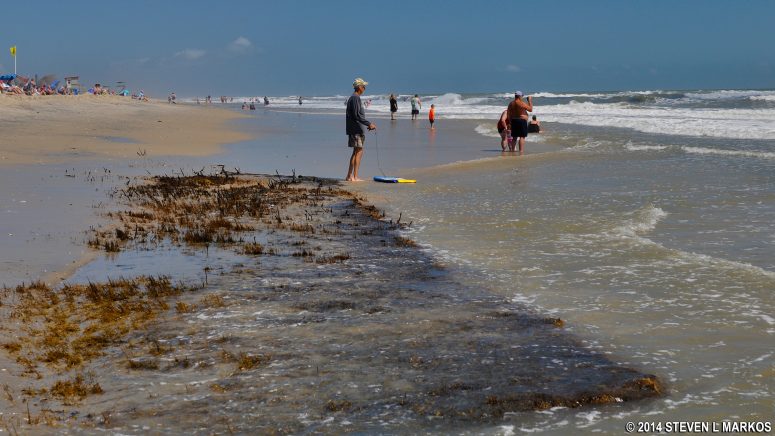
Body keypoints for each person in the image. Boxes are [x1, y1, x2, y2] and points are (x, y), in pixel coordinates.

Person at [345, 78, 376, 182]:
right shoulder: (355, 98)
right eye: (363, 86)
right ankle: (354, 176)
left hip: (356, 129)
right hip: (356, 130)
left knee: (356, 151)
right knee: (359, 151)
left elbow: (357, 116)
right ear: (359, 87)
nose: (365, 88)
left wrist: (366, 124)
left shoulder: (354, 98)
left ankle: (350, 176)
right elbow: (357, 116)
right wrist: (369, 124)